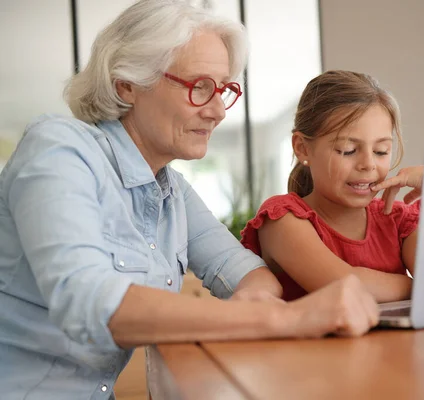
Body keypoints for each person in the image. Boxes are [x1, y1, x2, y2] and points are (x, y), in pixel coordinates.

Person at [0, 1, 379, 398]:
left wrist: (253, 302)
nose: (218, 111)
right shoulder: (59, 151)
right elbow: (90, 302)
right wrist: (281, 319)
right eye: (200, 88)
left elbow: (248, 272)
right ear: (125, 83)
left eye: (224, 89)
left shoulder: (172, 190)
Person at [241, 70, 424, 302]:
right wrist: (418, 287)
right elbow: (345, 286)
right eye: (347, 150)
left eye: (381, 151)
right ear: (302, 148)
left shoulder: (398, 220)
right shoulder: (283, 219)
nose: (368, 164)